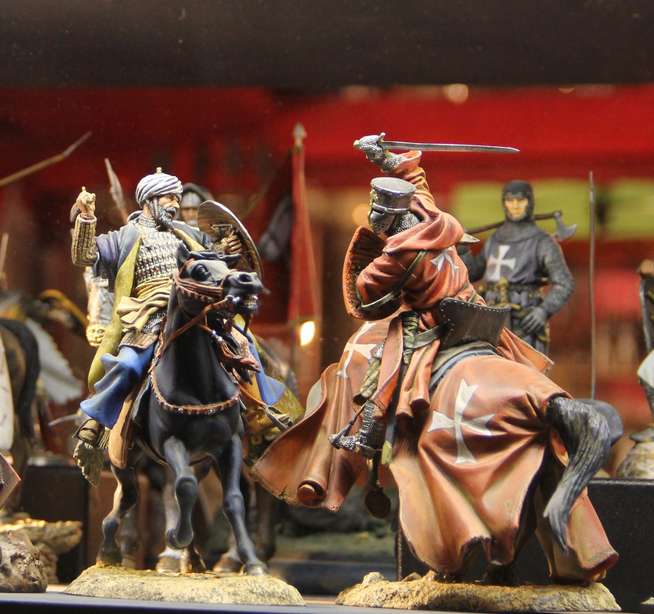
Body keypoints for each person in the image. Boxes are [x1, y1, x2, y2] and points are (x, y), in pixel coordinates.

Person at [253, 135, 618, 583]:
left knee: (366, 357)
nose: (375, 219)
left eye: (378, 213)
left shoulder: (397, 255)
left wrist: (370, 265)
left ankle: (366, 430)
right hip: (473, 318)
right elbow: (417, 179)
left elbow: (364, 294)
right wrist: (384, 158)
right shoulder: (434, 217)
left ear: (387, 215)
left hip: (427, 324)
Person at [70, 169, 209, 448]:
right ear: (150, 199)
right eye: (170, 198)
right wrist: (86, 218)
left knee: (239, 347)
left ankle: (258, 415)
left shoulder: (189, 235)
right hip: (148, 319)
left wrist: (230, 244)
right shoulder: (125, 237)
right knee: (128, 364)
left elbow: (217, 261)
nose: (176, 205)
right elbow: (84, 256)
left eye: (177, 198)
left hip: (193, 313)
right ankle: (97, 416)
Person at [460, 181, 574, 354]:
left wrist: (543, 311)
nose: (515, 206)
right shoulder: (495, 239)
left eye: (520, 200)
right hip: (491, 319)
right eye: (509, 200)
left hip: (524, 320)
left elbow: (564, 283)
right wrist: (463, 249)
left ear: (530, 202)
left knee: (524, 367)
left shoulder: (542, 242)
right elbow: (473, 274)